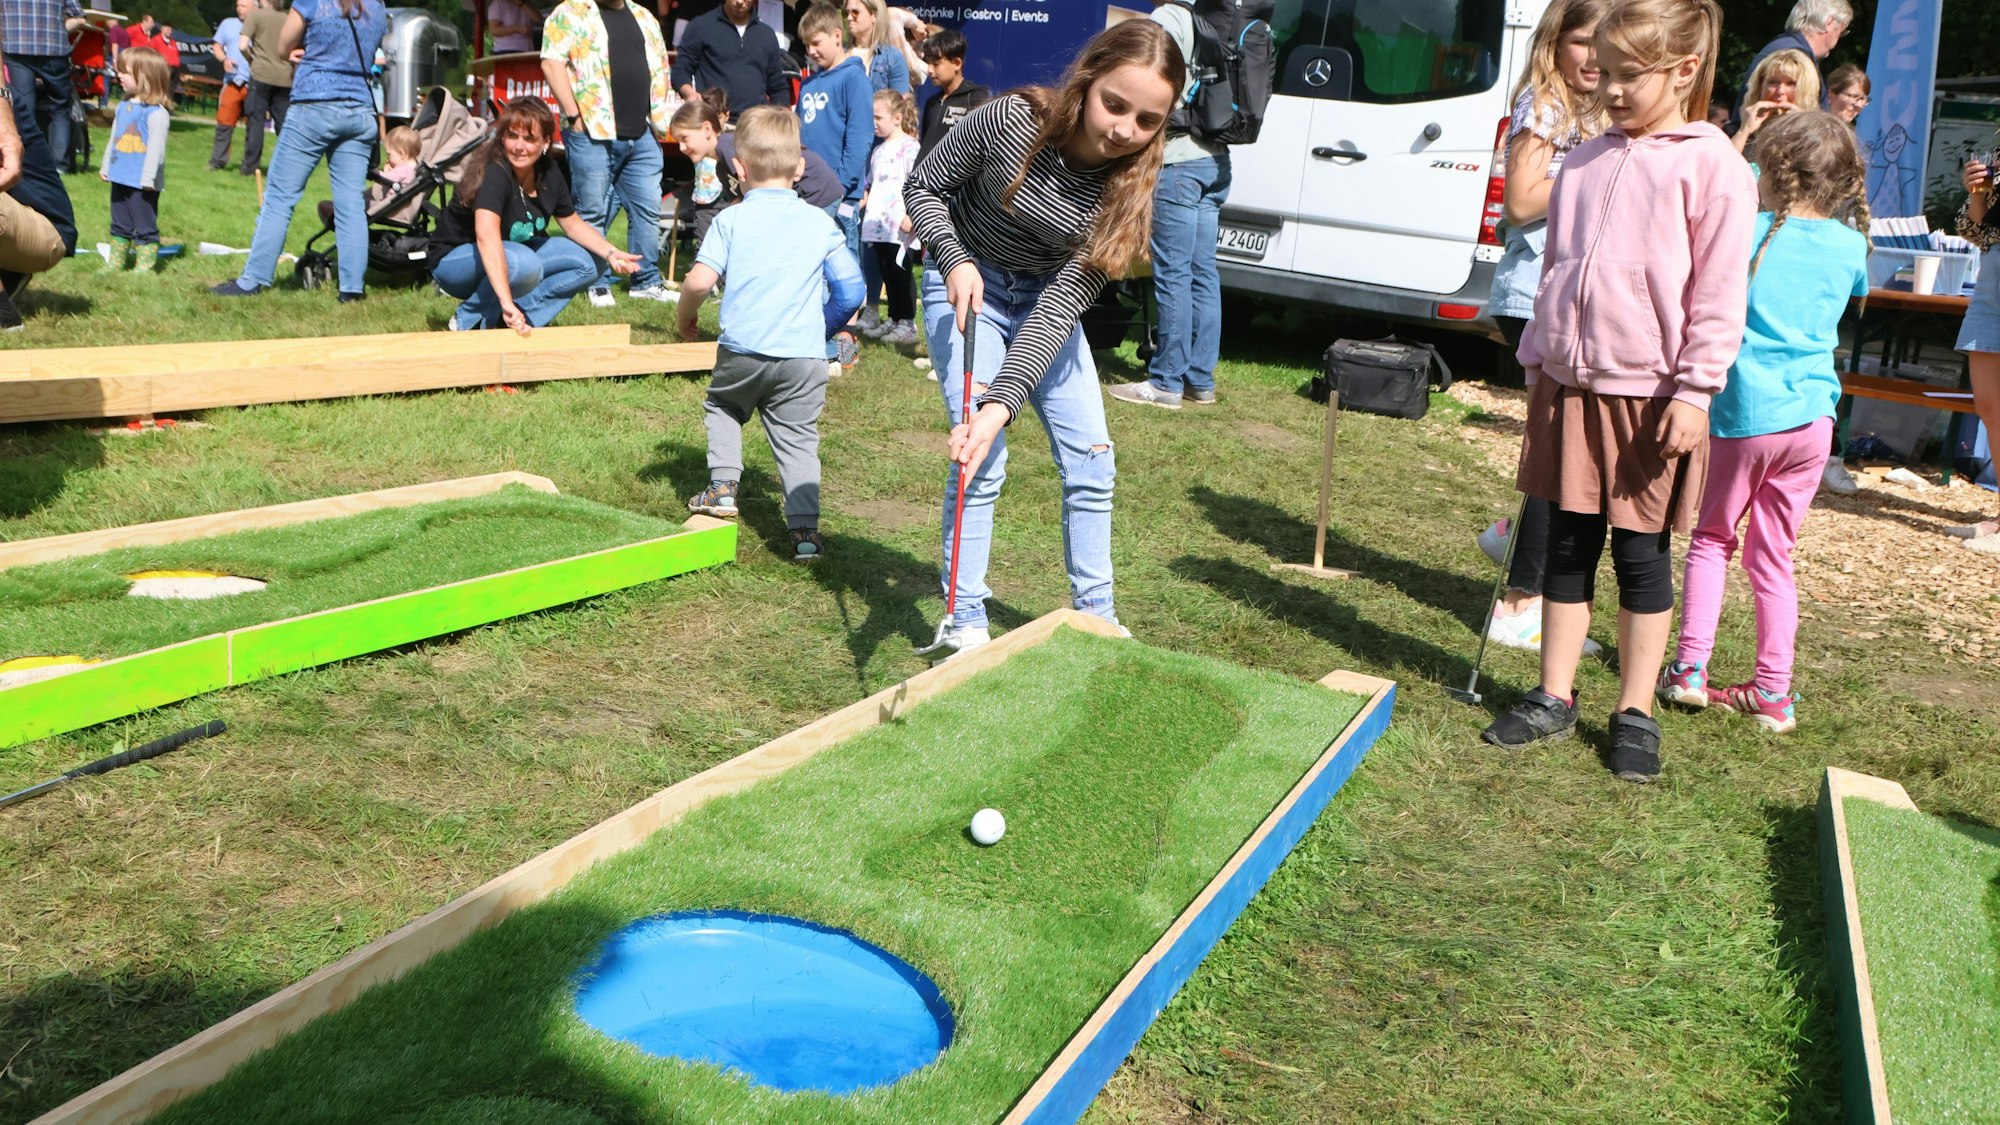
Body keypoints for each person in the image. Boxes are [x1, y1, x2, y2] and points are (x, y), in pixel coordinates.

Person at [1480, 0, 1755, 783]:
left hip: (1654, 397)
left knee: (1641, 555)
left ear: (1684, 71)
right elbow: (1558, 271)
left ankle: (1634, 711)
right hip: (1571, 383)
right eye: (1606, 74)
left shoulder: (1712, 166)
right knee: (1567, 546)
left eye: (1634, 76)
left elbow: (1718, 293)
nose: (1615, 91)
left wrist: (1696, 392)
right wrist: (1540, 356)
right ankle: (1553, 694)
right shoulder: (1585, 159)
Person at [905, 20, 1183, 656]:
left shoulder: (1128, 188)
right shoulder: (1010, 120)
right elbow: (924, 186)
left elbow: (1060, 306)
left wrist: (1002, 402)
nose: (1122, 129)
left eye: (1145, 120)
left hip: (1041, 302)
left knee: (1092, 458)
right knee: (982, 456)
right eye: (1114, 104)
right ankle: (964, 619)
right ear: (1087, 82)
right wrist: (953, 256)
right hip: (964, 282)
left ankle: (1097, 617)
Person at [1657, 111, 1868, 734]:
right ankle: (1774, 693)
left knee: (1712, 539)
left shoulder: (1745, 232)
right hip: (1813, 423)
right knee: (1773, 558)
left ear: (1772, 170)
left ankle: (1690, 669)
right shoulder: (1851, 243)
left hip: (1747, 416)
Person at [1471, 0, 1606, 653]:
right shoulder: (1545, 105)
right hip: (1534, 295)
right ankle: (1521, 603)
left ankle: (1512, 539)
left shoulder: (1596, 109)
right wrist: (1600, 171)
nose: (1596, 57)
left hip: (1571, 297)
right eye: (1583, 42)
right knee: (1558, 460)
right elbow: (1522, 203)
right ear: (1556, 42)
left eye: (1607, 44)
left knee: (1564, 456)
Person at [678, 104, 864, 561]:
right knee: (798, 437)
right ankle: (804, 533)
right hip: (804, 358)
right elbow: (852, 289)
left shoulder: (730, 219)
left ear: (737, 168)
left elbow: (700, 281)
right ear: (800, 167)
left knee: (723, 406)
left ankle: (722, 488)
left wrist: (685, 318)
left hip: (744, 350)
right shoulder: (821, 222)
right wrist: (822, 328)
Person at [210, 0, 387, 301]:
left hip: (314, 106)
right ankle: (352, 290)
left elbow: (283, 46)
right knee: (351, 205)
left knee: (280, 197)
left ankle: (253, 280)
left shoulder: (313, 1)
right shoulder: (378, 6)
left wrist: (302, 51)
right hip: (360, 110)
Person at [1106, 0, 1233, 412]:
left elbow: (1154, 82)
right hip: (1215, 161)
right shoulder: (1211, 20)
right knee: (1203, 273)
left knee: (1173, 273)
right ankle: (1200, 379)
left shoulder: (1168, 19)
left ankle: (1165, 382)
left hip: (1179, 162)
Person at [430, 99, 640, 332]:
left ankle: (519, 317)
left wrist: (611, 252)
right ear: (502, 138)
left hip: (511, 255)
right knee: (524, 263)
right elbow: (486, 237)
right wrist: (505, 300)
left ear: (546, 142)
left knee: (593, 263)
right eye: (512, 136)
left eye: (529, 139)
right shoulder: (495, 172)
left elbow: (572, 225)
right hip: (455, 262)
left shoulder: (548, 171)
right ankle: (466, 321)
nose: (519, 147)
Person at [541, 0, 677, 306]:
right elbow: (551, 62)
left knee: (648, 209)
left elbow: (660, 69)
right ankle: (595, 280)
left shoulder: (644, 16)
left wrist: (659, 122)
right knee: (592, 210)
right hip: (592, 129)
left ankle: (645, 280)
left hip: (642, 132)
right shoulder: (570, 11)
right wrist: (574, 116)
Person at [797, 2, 869, 368]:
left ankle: (845, 348)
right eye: (806, 45)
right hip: (806, 192)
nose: (811, 50)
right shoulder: (809, 82)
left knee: (843, 271)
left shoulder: (853, 78)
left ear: (837, 36)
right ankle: (819, 344)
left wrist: (843, 187)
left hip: (839, 195)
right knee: (811, 270)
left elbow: (858, 138)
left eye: (816, 42)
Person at [1950, 148, 2000, 554]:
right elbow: (1978, 230)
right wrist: (1976, 192)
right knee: (1989, 405)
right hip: (1993, 278)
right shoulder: (1997, 153)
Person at [99, 46, 171, 272]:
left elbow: (156, 150)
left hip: (143, 183)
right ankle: (116, 261)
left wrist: (148, 179)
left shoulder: (156, 113)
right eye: (119, 70)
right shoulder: (123, 107)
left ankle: (145, 264)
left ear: (146, 77)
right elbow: (114, 138)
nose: (118, 75)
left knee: (144, 223)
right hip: (120, 176)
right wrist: (106, 166)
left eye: (125, 72)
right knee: (119, 221)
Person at [859, 89, 918, 345]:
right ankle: (894, 319)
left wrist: (912, 215)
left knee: (900, 271)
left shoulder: (910, 148)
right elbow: (871, 184)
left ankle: (907, 323)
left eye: (878, 117)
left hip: (899, 226)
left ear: (897, 117)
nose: (874, 122)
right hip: (878, 225)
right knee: (886, 270)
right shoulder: (878, 151)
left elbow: (916, 184)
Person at [2, 0, 84, 174]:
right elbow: (79, 18)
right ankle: (60, 164)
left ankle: (29, 162)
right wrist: (59, 27)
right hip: (54, 49)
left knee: (24, 107)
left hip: (17, 47)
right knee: (60, 107)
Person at [1738, 0, 1848, 122]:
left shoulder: (1781, 46)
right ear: (1829, 23)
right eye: (1842, 30)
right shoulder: (1793, 57)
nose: (1780, 91)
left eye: (1791, 83)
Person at [671, 0, 790, 112]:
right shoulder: (700, 27)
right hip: (713, 121)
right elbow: (680, 71)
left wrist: (778, 119)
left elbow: (778, 86)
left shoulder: (766, 35)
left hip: (755, 123)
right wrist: (689, 93)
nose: (739, 2)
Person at [240, 0, 295, 177]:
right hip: (285, 77)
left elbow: (242, 45)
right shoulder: (288, 18)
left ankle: (250, 166)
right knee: (284, 126)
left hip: (261, 75)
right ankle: (286, 167)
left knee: (256, 122)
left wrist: (251, 59)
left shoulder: (256, 15)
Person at [915, 26, 987, 162]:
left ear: (956, 63)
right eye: (928, 63)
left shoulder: (975, 100)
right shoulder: (932, 103)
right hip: (927, 182)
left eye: (936, 64)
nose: (929, 70)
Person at [1733, 49, 1820, 158]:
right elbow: (1722, 169)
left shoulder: (1819, 136)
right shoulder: (1735, 130)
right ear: (1760, 86)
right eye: (1773, 82)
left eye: (1791, 83)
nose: (1780, 91)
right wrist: (1744, 131)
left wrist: (1802, 128)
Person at [209, 0, 254, 171]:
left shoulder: (260, 24)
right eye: (238, 6)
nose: (239, 9)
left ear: (254, 7)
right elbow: (217, 47)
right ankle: (217, 161)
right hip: (232, 81)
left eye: (243, 6)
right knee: (224, 123)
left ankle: (249, 165)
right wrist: (224, 59)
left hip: (254, 83)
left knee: (253, 128)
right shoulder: (228, 24)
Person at [841, 0, 907, 95]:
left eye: (855, 12)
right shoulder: (838, 52)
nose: (849, 17)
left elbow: (900, 104)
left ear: (874, 16)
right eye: (846, 13)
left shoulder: (893, 57)